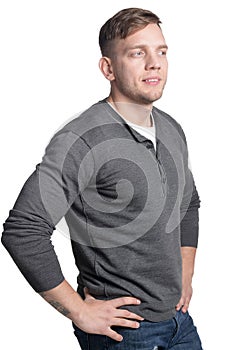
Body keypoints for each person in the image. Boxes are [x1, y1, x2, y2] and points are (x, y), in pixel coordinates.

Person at [1, 7, 203, 350]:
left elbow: (189, 203)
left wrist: (186, 272)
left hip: (179, 323)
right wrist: (79, 311)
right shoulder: (82, 139)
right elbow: (23, 230)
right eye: (137, 53)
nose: (154, 62)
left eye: (161, 51)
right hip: (125, 333)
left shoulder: (170, 128)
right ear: (108, 68)